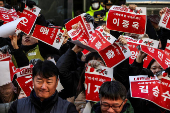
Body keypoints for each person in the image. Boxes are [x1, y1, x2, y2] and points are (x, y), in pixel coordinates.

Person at [8, 60, 78, 113]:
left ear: (56, 82)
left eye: (49, 82)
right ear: (32, 81)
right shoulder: (17, 106)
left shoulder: (68, 109)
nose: (44, 87)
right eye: (39, 81)